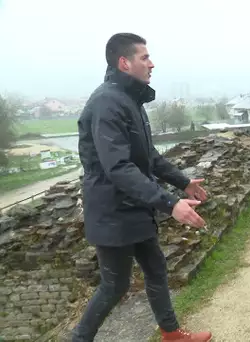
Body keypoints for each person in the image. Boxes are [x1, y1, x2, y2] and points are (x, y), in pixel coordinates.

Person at [73, 33, 213, 342]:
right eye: (144, 57)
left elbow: (147, 156)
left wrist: (184, 182)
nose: (152, 63)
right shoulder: (107, 103)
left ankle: (172, 333)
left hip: (135, 207)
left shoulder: (129, 100)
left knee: (156, 268)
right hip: (111, 211)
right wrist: (170, 203)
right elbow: (118, 168)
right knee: (115, 286)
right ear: (124, 63)